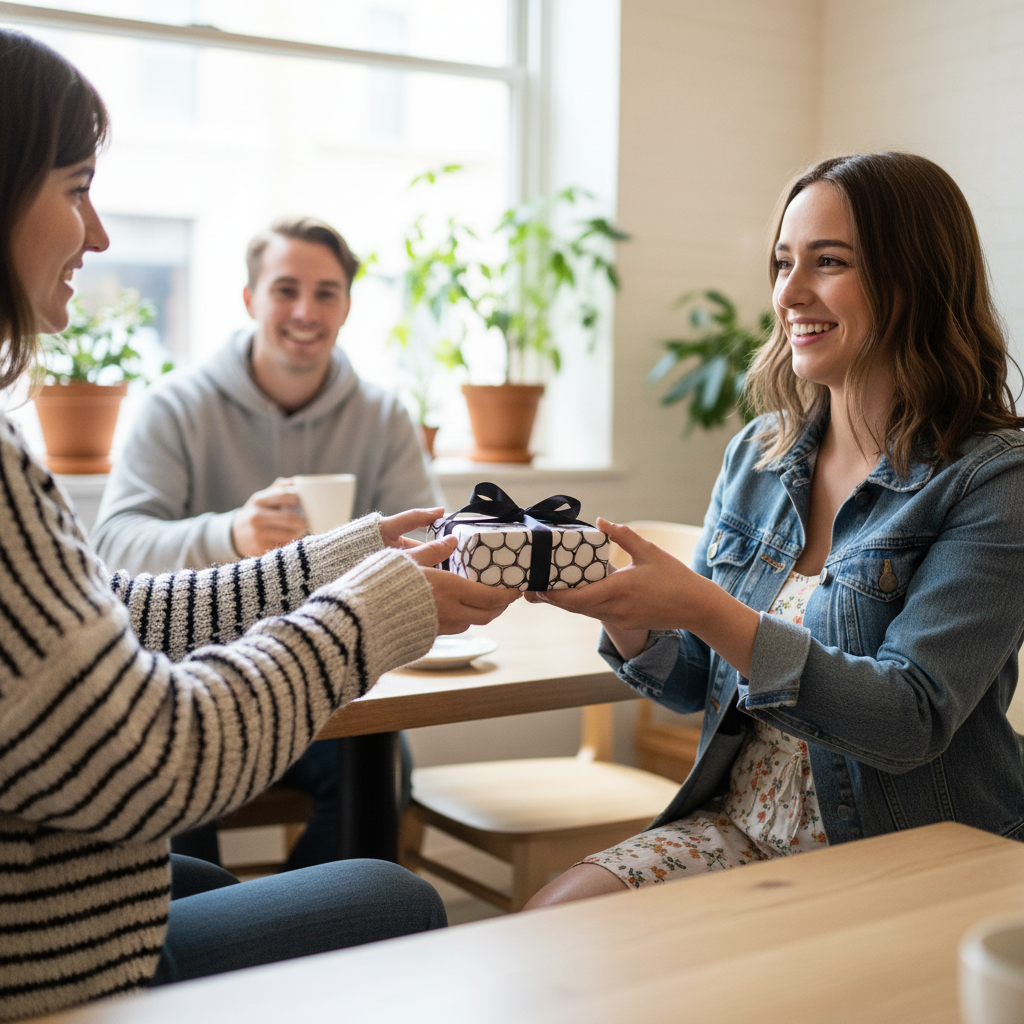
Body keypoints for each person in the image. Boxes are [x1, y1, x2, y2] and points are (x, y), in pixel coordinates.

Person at [0, 29, 518, 1021]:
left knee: (327, 822)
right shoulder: (159, 408)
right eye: (74, 189)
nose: (99, 233)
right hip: (50, 959)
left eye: (328, 293)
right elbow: (155, 758)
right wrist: (362, 607)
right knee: (393, 894)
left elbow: (103, 609)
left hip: (68, 881)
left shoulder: (379, 409)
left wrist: (349, 555)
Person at [524, 151, 1024, 910]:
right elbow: (695, 682)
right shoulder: (760, 455)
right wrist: (631, 618)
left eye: (829, 262)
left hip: (911, 855)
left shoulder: (993, 479)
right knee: (553, 916)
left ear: (915, 277)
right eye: (783, 262)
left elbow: (908, 718)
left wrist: (699, 604)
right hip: (744, 829)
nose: (790, 292)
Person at [91, 216, 445, 870]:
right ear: (250, 298)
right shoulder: (175, 406)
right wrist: (228, 534)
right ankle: (222, 936)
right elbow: (112, 547)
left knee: (377, 771)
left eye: (326, 293)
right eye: (286, 289)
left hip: (332, 681)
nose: (306, 311)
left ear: (347, 307)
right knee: (164, 784)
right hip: (193, 681)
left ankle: (304, 935)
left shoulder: (382, 415)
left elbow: (425, 537)